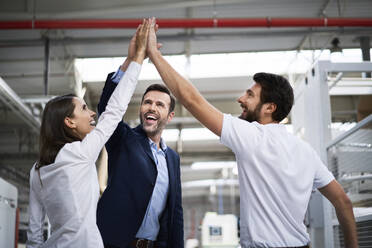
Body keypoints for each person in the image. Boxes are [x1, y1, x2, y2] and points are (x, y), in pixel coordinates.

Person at [144, 18, 358, 248]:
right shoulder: (306, 152)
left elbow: (190, 99)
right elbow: (342, 202)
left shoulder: (252, 137)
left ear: (269, 108)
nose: (241, 99)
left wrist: (154, 56)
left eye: (249, 95)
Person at [25, 19, 150, 248]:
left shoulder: (37, 170)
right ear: (69, 122)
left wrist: (129, 60)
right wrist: (139, 57)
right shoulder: (79, 153)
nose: (92, 112)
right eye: (84, 108)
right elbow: (114, 111)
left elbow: (34, 231)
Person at [96, 20, 184, 248]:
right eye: (147, 102)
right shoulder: (124, 139)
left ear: (170, 115)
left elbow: (175, 212)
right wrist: (131, 60)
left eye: (159, 104)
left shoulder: (172, 159)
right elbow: (108, 108)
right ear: (141, 109)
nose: (152, 107)